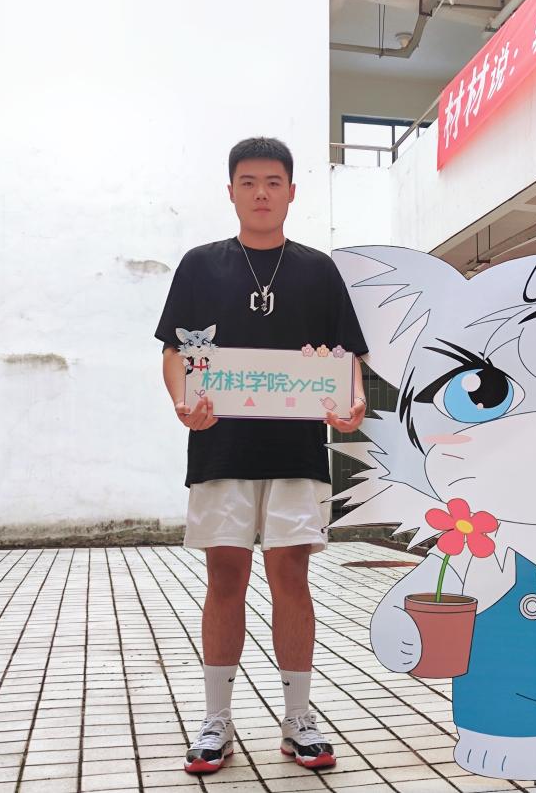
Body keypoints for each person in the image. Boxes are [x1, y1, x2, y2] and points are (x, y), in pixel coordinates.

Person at [155, 137, 368, 774]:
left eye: (273, 182)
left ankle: (298, 718)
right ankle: (215, 720)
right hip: (220, 445)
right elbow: (174, 352)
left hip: (297, 450)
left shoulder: (318, 270)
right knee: (225, 576)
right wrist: (182, 401)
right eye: (248, 182)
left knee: (292, 577)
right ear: (231, 192)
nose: (261, 193)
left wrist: (352, 403)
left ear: (292, 192)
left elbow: (344, 358)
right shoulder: (200, 266)